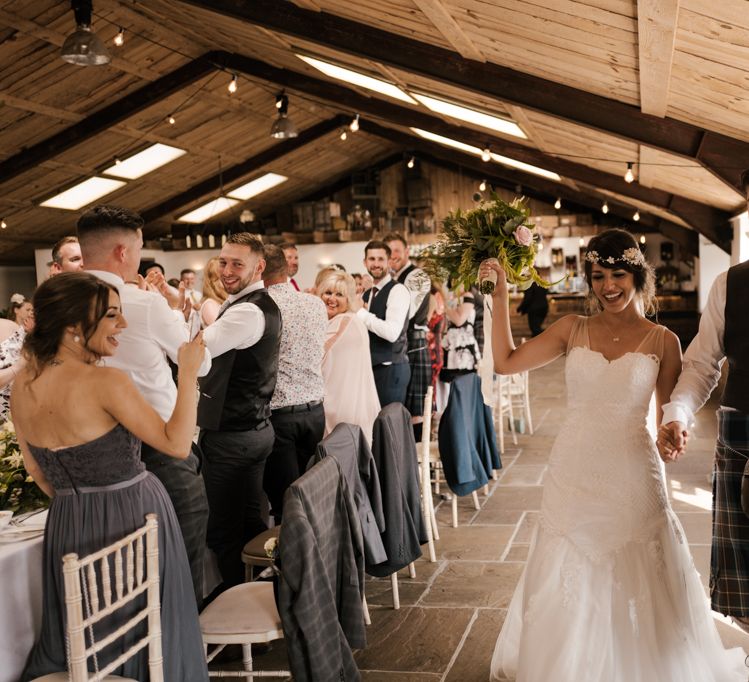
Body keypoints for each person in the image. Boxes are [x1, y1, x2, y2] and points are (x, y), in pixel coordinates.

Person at [481, 228, 746, 681]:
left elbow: (670, 414)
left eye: (618, 274)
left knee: (638, 567)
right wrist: (500, 296)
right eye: (599, 276)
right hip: (574, 469)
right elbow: (505, 362)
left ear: (638, 275)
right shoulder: (572, 329)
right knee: (569, 570)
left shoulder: (663, 340)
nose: (608, 287)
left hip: (631, 471)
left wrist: (672, 435)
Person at [12, 272, 208, 681]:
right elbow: (176, 445)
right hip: (136, 515)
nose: (122, 325)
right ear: (72, 325)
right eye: (112, 316)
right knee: (148, 625)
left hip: (67, 523)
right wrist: (187, 372)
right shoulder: (106, 381)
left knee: (85, 635)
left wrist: (79, 501)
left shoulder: (23, 385)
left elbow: (38, 473)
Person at [79, 204, 211, 606]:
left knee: (122, 560)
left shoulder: (59, 303)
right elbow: (197, 360)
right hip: (160, 444)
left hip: (91, 451)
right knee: (181, 549)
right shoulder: (140, 303)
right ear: (123, 252)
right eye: (137, 248)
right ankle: (183, 642)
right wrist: (176, 314)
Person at [658, 171, 749, 632]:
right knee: (748, 596)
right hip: (743, 440)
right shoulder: (731, 284)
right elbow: (700, 365)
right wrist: (676, 412)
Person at [198, 233, 282, 589]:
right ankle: (263, 598)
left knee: (224, 532)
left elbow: (196, 353)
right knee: (249, 524)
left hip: (234, 437)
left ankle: (238, 619)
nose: (227, 271)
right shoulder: (247, 304)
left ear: (259, 267)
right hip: (253, 430)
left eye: (237, 264)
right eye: (223, 261)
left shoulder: (248, 310)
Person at [262, 244, 326, 523]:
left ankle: (290, 564)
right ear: (287, 269)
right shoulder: (314, 304)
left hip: (281, 416)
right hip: (315, 412)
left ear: (259, 269)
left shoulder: (262, 307)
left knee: (286, 504)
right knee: (311, 495)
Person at [317, 270, 380, 442]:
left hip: (340, 409)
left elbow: (316, 356)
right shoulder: (351, 320)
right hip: (353, 405)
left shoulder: (344, 321)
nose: (332, 299)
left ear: (349, 299)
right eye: (328, 293)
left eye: (339, 295)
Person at [385, 232, 432, 431]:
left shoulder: (418, 276)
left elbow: (406, 311)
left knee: (416, 411)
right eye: (389, 251)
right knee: (402, 407)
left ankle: (417, 458)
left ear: (406, 251)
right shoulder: (393, 278)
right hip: (402, 345)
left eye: (397, 250)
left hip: (414, 343)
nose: (393, 255)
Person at [359, 240, 411, 406]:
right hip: (370, 369)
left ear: (389, 261)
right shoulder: (367, 294)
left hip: (391, 369)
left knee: (388, 425)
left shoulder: (398, 291)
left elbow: (392, 333)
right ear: (365, 262)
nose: (376, 264)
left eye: (380, 259)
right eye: (372, 259)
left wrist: (359, 313)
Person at [439, 284, 480, 383]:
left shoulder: (467, 296)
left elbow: (459, 320)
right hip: (449, 345)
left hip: (463, 345)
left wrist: (445, 306)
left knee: (463, 382)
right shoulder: (450, 298)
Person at [200, 256, 228, 327]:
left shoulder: (224, 300)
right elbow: (223, 332)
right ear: (213, 280)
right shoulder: (210, 304)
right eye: (223, 276)